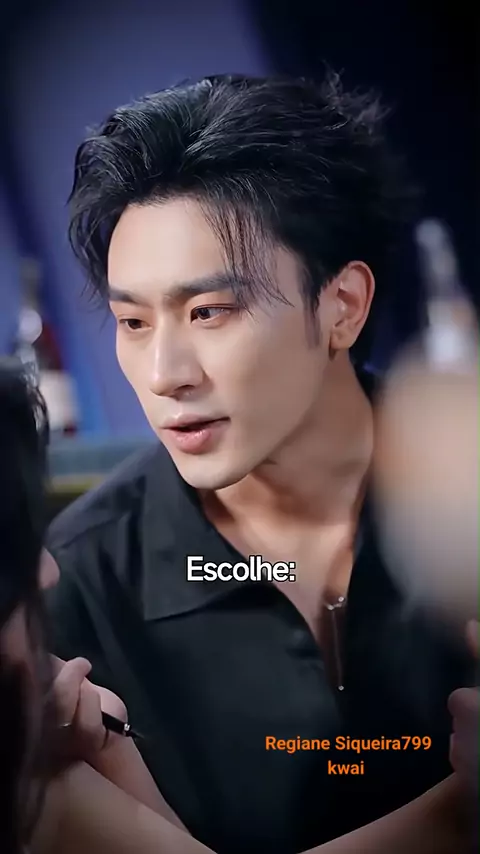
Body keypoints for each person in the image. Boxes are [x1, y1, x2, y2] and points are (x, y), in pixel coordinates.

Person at [45, 73, 475, 854]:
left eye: (208, 311)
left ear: (342, 306)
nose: (164, 373)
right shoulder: (77, 583)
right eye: (132, 322)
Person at [0, 368, 471, 854]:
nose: (164, 373)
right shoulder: (91, 566)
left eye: (211, 320)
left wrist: (108, 752)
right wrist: (459, 809)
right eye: (12, 545)